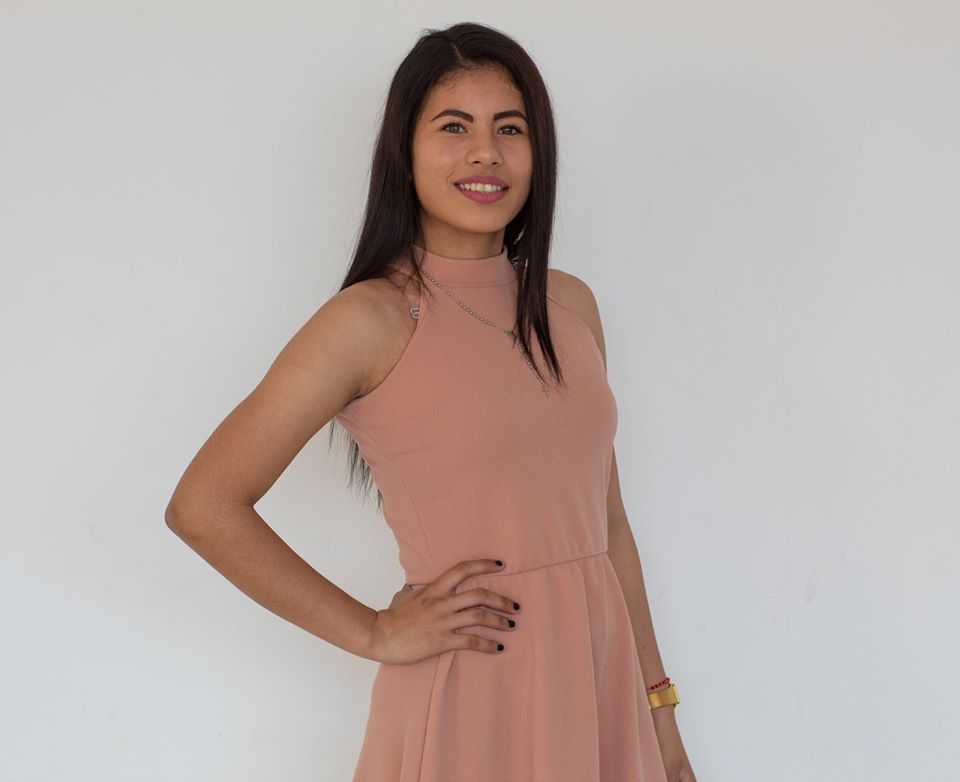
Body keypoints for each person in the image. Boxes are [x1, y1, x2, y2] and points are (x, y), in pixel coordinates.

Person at [165, 21, 696, 782]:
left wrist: (659, 714)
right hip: (472, 692)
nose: (485, 153)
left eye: (509, 128)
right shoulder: (370, 320)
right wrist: (375, 633)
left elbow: (608, 526)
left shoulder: (570, 305)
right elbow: (204, 505)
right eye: (454, 127)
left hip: (596, 687)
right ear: (404, 150)